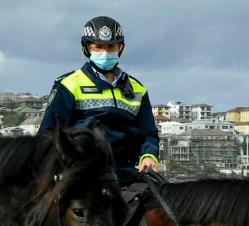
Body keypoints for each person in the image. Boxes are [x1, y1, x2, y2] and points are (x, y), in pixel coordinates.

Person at [39, 16, 159, 183]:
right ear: (87, 49)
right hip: (86, 172)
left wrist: (149, 155)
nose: (105, 52)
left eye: (111, 46)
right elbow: (49, 134)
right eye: (98, 47)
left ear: (120, 48)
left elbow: (148, 132)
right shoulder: (68, 85)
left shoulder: (137, 89)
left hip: (128, 171)